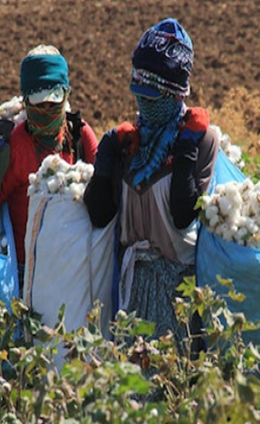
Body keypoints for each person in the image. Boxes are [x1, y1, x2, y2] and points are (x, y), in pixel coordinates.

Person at [83, 18, 219, 354]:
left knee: (174, 390)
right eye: (139, 94)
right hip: (131, 293)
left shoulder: (201, 140)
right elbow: (99, 214)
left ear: (174, 94)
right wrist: (106, 156)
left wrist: (185, 149)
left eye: (152, 96)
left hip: (179, 293)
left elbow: (183, 214)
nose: (144, 104)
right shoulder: (132, 143)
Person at [0, 45, 98, 285]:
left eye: (52, 104)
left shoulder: (79, 137)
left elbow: (105, 200)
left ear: (66, 95)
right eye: (38, 105)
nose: (46, 111)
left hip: (75, 273)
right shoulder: (15, 145)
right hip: (26, 277)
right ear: (26, 101)